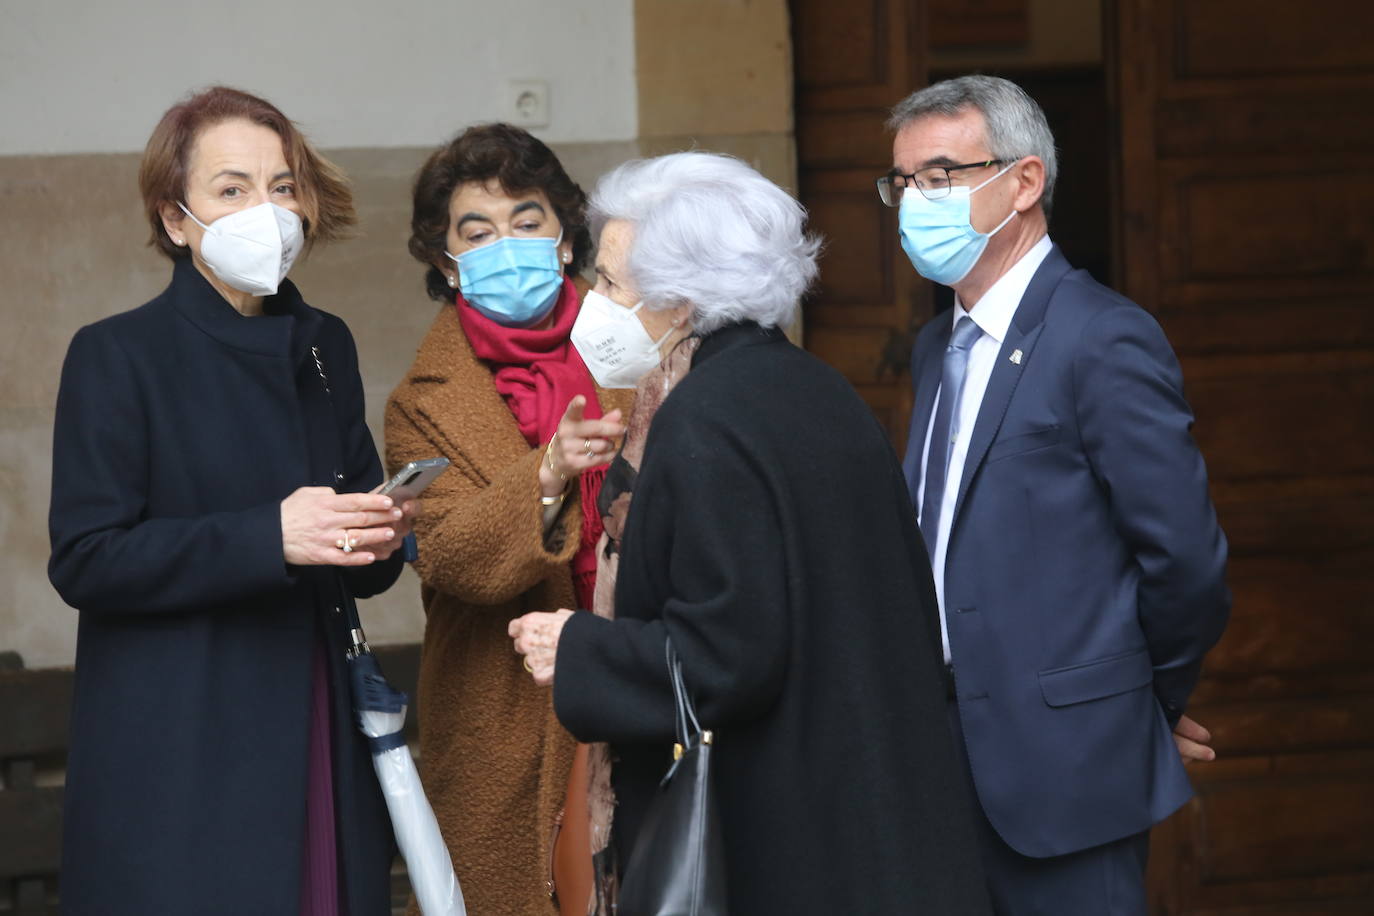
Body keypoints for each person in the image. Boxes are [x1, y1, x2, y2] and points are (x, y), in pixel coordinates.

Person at [508, 152, 993, 915]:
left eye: (607, 281)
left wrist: (577, 649)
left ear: (679, 300)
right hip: (868, 818)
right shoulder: (812, 385)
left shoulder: (706, 419)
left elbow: (727, 656)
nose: (589, 302)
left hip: (781, 837)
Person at [47, 86, 414, 915]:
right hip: (184, 734)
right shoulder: (116, 355)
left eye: (283, 186)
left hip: (316, 708)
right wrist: (269, 537)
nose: (267, 209)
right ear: (175, 219)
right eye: (232, 188)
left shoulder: (325, 343)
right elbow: (86, 558)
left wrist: (377, 533)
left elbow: (352, 559)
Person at [882, 74, 1231, 913]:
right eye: (900, 183)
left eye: (939, 176)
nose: (911, 204)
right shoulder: (937, 344)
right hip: (944, 767)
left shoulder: (1101, 335)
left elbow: (1185, 560)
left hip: (1071, 776)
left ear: (1024, 181)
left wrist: (1143, 704)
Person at [384, 123, 631, 915]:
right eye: (477, 231)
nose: (508, 243)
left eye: (527, 220)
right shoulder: (420, 403)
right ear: (445, 259)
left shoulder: (640, 345)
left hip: (641, 679)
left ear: (565, 237)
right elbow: (449, 552)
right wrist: (549, 472)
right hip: (503, 713)